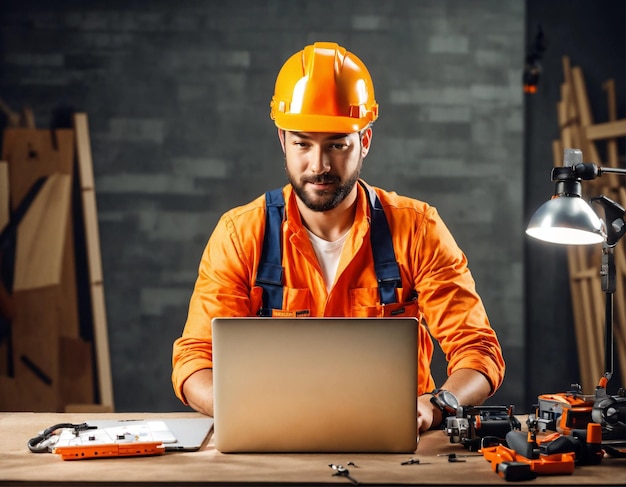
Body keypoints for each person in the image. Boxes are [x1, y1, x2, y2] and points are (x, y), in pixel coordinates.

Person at [172, 41, 505, 433]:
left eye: (337, 144)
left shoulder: (417, 229)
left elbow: (478, 352)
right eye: (302, 144)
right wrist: (246, 410)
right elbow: (195, 360)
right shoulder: (241, 234)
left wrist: (434, 407)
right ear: (282, 141)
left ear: (364, 141)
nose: (319, 165)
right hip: (273, 443)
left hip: (397, 442)